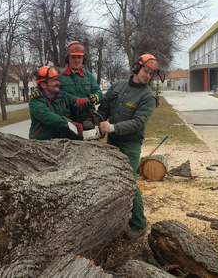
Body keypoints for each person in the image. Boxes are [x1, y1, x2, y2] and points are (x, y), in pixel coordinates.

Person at [97, 54, 159, 240]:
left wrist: (112, 127)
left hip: (131, 143)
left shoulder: (148, 97)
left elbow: (138, 122)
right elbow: (104, 109)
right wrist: (97, 121)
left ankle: (139, 224)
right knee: (113, 179)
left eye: (152, 73)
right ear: (136, 68)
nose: (148, 76)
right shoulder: (118, 86)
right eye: (146, 70)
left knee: (129, 182)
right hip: (113, 141)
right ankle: (120, 217)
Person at [30, 41, 103, 121]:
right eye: (73, 57)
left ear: (84, 59)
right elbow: (46, 86)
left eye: (79, 57)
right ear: (67, 58)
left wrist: (96, 97)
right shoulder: (59, 76)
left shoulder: (89, 76)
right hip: (68, 119)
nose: (77, 60)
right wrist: (37, 90)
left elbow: (98, 92)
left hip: (88, 118)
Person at [29, 66, 91, 140]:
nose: (58, 83)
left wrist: (88, 101)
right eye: (54, 80)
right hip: (42, 143)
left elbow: (75, 100)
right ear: (43, 85)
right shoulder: (36, 101)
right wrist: (69, 124)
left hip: (62, 141)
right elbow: (49, 118)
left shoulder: (63, 95)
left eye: (57, 79)